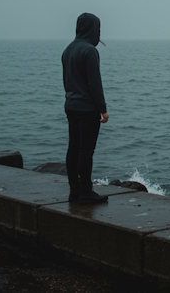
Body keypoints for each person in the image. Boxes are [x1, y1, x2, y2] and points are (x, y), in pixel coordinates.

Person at [61, 12, 110, 204]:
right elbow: (94, 84)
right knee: (86, 151)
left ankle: (74, 191)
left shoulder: (68, 50)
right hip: (87, 108)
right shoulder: (89, 51)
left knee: (73, 148)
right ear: (93, 29)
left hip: (70, 105)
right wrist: (103, 109)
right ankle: (86, 191)